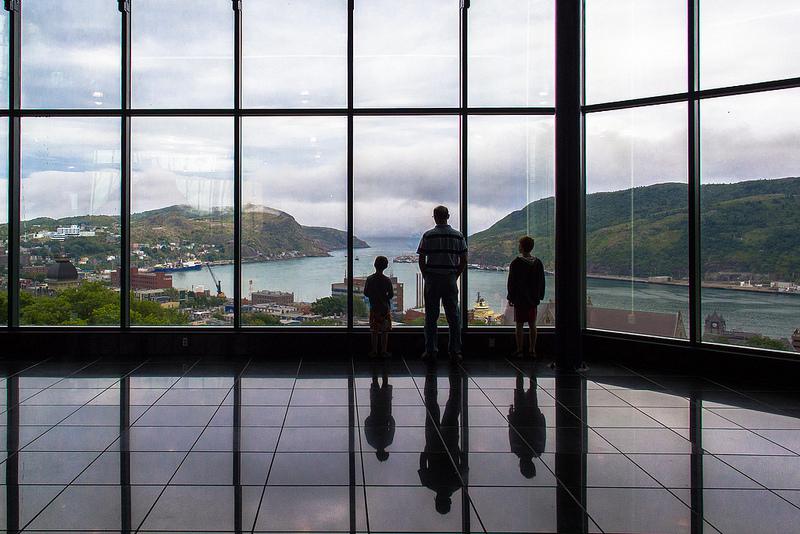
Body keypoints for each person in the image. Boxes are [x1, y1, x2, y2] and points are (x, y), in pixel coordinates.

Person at [417, 206, 468, 361]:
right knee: (454, 317)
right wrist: (455, 275)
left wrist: (426, 275)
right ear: (448, 216)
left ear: (434, 217)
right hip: (450, 279)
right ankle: (455, 351)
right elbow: (463, 260)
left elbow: (421, 259)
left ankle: (431, 350)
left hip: (432, 279)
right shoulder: (458, 236)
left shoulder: (428, 235)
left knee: (431, 317)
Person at [418, 363, 465, 514]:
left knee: (453, 404)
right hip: (433, 441)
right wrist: (427, 448)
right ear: (437, 500)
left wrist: (456, 449)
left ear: (449, 501)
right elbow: (422, 460)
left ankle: (455, 373)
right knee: (431, 403)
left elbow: (463, 460)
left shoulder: (458, 483)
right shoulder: (428, 483)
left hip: (451, 440)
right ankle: (431, 373)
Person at [506, 236, 545, 358]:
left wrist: (510, 297)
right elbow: (541, 281)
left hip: (520, 298)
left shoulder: (516, 263)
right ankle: (532, 350)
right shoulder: (538, 263)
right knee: (532, 324)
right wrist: (540, 295)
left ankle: (519, 350)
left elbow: (511, 281)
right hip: (533, 299)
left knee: (519, 325)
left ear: (521, 247)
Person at [508, 370, 546, 479]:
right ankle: (520, 371)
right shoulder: (516, 449)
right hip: (520, 415)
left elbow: (541, 432)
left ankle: (533, 370)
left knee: (532, 392)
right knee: (520, 391)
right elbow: (512, 431)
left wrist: (541, 418)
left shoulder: (538, 450)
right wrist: (511, 416)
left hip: (532, 415)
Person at [364, 363, 395, 462]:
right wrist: (370, 418)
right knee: (376, 385)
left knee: (385, 384)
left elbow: (393, 426)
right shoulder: (371, 442)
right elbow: (367, 425)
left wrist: (389, 416)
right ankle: (375, 368)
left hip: (384, 411)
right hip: (375, 411)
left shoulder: (388, 441)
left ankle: (383, 367)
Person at [364, 255, 393, 357]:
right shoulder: (387, 280)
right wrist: (384, 297)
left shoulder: (370, 279)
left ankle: (374, 351)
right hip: (384, 309)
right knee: (385, 331)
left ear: (375, 265)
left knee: (374, 331)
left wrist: (373, 295)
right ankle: (384, 351)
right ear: (385, 266)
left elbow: (366, 293)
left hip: (374, 308)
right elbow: (391, 295)